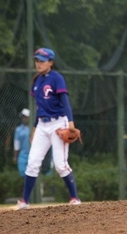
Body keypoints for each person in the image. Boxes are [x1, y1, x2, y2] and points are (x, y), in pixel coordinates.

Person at [16, 48, 81, 210]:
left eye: (42, 60)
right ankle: (24, 201)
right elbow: (39, 107)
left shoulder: (57, 78)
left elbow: (65, 101)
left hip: (59, 124)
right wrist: (34, 128)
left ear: (50, 62)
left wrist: (71, 123)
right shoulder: (37, 81)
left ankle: (74, 198)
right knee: (32, 163)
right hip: (42, 125)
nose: (38, 63)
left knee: (60, 165)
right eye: (37, 60)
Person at [13, 109, 31, 177]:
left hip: (33, 154)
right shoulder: (18, 130)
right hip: (23, 154)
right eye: (23, 117)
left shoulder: (35, 128)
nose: (25, 118)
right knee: (22, 171)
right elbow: (16, 144)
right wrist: (15, 156)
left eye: (26, 117)